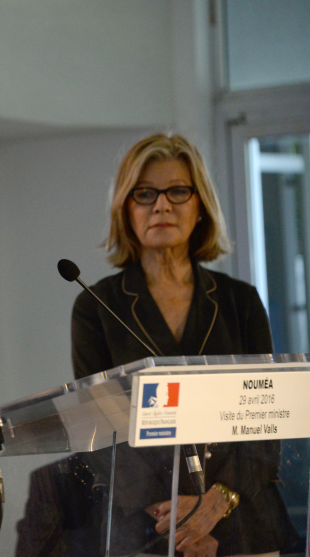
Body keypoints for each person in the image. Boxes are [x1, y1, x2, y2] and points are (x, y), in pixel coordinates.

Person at [66, 133, 298, 556]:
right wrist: (177, 518)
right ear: (126, 209)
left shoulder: (240, 301)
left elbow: (268, 420)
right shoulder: (96, 306)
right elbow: (99, 429)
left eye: (176, 191)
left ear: (199, 205)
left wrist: (215, 504)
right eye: (145, 194)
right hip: (147, 530)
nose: (161, 205)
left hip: (244, 522)